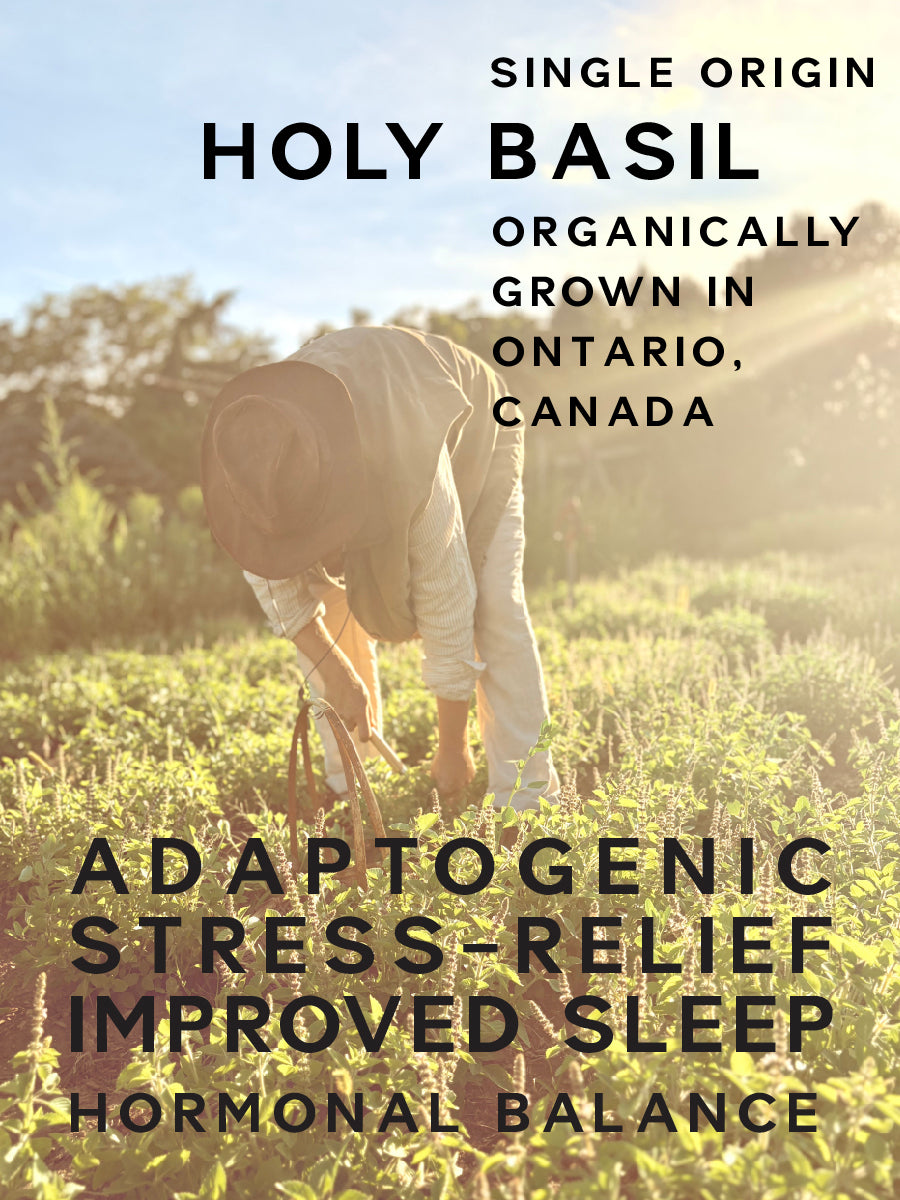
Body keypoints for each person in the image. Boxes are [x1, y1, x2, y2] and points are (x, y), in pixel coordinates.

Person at [201, 324, 559, 812]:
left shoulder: (406, 462)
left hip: (475, 429)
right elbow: (288, 605)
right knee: (325, 603)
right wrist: (341, 676)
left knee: (494, 602)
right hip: (359, 437)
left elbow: (448, 602)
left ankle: (527, 797)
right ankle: (352, 780)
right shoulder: (249, 475)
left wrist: (451, 748)